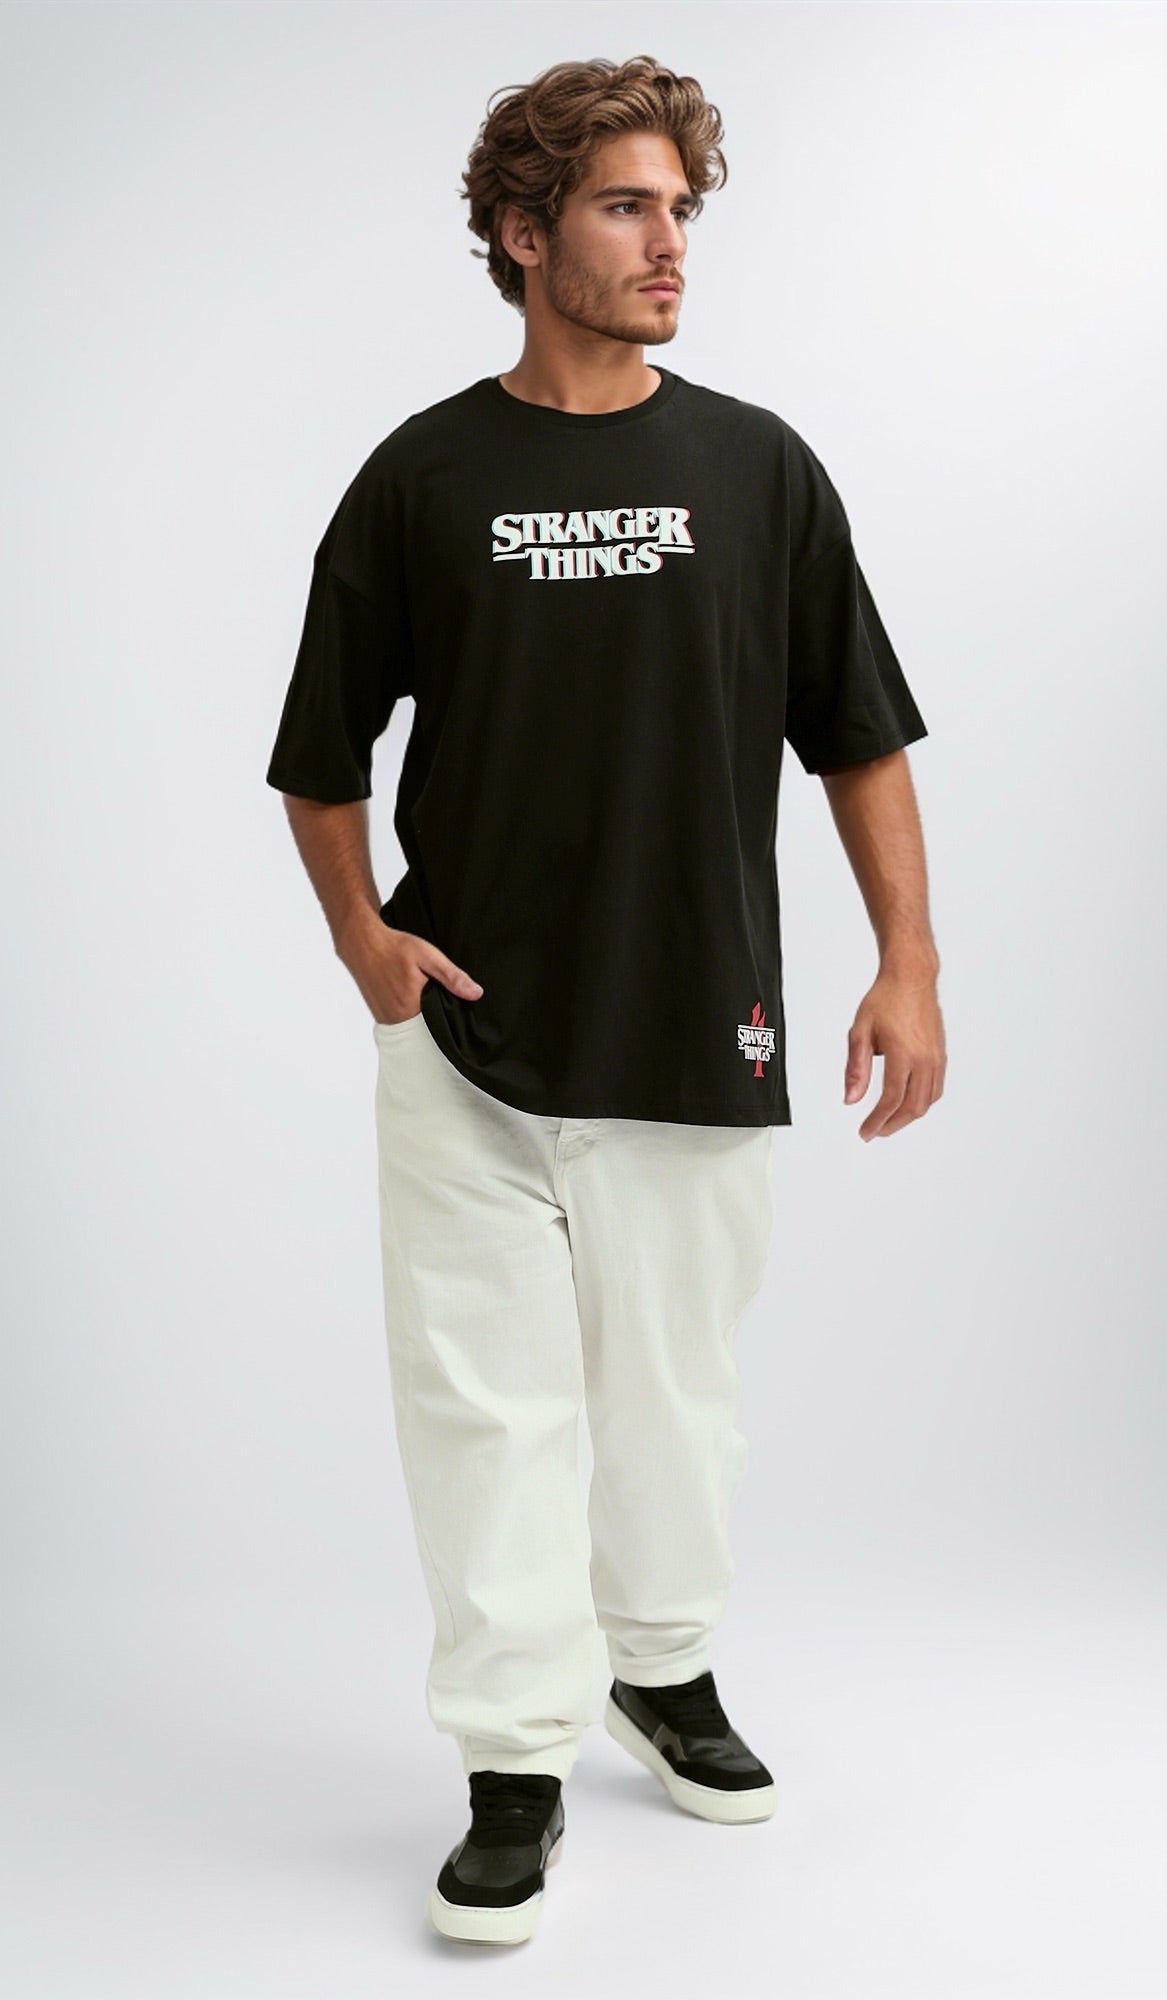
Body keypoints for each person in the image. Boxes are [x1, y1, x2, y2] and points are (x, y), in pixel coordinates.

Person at [265, 51, 945, 1948]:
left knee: (671, 1397)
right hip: (466, 1041)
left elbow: (858, 734)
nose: (668, 246)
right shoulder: (423, 476)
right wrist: (364, 943)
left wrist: (909, 959)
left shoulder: (756, 469)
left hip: (693, 1014)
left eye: (679, 209)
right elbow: (320, 754)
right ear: (522, 233)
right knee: (483, 1411)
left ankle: (662, 1665)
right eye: (626, 207)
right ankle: (510, 1765)